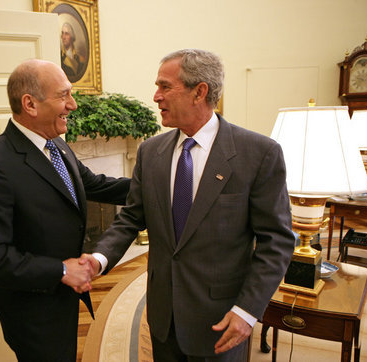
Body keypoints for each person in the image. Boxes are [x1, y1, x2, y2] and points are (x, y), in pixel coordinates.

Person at [85, 49, 295, 361]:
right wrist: (99, 259)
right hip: (163, 318)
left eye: (165, 87)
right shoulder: (150, 152)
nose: (156, 97)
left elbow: (276, 241)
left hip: (221, 322)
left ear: (200, 92)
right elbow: (131, 218)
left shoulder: (259, 154)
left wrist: (248, 311)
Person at [0, 59, 130, 361]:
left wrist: (158, 183)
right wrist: (63, 270)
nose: (73, 105)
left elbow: (96, 184)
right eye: (63, 95)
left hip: (64, 300)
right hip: (33, 312)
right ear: (30, 104)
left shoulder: (57, 145)